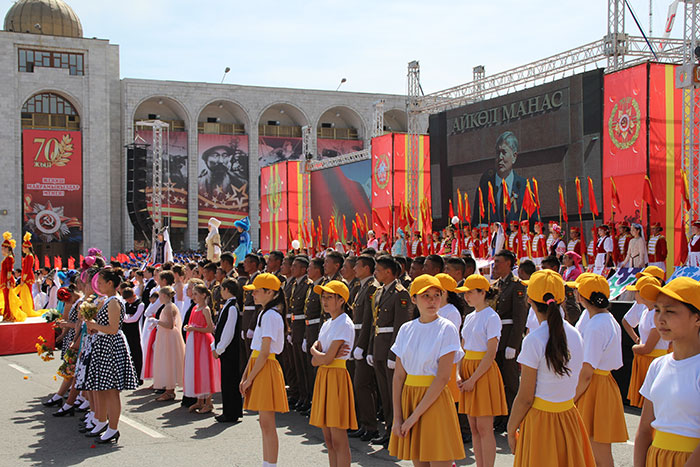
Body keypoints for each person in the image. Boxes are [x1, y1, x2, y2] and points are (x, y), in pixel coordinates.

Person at [507, 269, 594, 466]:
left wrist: (511, 430)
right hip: (569, 417)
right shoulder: (575, 334)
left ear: (529, 300)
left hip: (541, 422)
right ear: (562, 299)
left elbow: (525, 398)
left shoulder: (533, 340)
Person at [387, 274, 465, 465]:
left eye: (437, 295)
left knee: (439, 461)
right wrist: (398, 418)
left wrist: (413, 418)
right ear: (413, 299)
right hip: (410, 398)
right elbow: (398, 376)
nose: (432, 300)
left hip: (435, 401)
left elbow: (442, 377)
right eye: (426, 295)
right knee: (419, 462)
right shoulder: (406, 329)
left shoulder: (447, 328)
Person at [634, 277, 700, 466]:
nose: (660, 319)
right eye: (657, 310)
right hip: (656, 458)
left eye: (670, 311)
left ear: (697, 318)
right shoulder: (658, 365)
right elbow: (644, 430)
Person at [569, 274, 628, 467]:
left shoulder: (596, 325)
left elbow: (587, 372)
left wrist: (571, 399)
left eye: (577, 290)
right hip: (600, 385)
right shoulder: (604, 318)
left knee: (596, 451)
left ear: (582, 296)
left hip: (593, 387)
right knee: (594, 450)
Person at [456, 274, 508, 467]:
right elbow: (462, 348)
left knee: (484, 427)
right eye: (465, 293)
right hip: (468, 369)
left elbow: (491, 352)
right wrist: (460, 374)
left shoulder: (492, 317)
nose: (466, 296)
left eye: (470, 292)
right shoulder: (469, 317)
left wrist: (473, 379)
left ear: (483, 292)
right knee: (474, 427)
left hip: (483, 372)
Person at [82, 268, 138, 443]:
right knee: (102, 388)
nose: (97, 285)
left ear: (110, 283)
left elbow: (113, 329)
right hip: (104, 345)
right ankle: (101, 421)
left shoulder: (114, 302)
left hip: (110, 347)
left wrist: (94, 325)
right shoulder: (108, 301)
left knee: (111, 390)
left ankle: (113, 428)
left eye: (100, 282)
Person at [240, 273, 289, 467]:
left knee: (267, 422)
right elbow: (256, 350)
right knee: (264, 422)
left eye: (257, 291)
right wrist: (245, 375)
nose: (253, 295)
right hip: (259, 365)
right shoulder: (265, 313)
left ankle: (271, 464)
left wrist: (249, 378)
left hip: (265, 367)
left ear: (270, 292)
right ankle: (267, 462)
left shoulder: (270, 315)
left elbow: (264, 351)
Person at [309, 280, 356, 467]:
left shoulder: (344, 323)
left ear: (341, 300)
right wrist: (318, 355)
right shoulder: (327, 323)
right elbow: (318, 361)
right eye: (323, 297)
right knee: (328, 438)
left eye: (330, 297)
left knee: (338, 438)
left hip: (336, 377)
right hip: (324, 376)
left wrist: (314, 350)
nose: (325, 301)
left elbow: (326, 358)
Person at [367, 255, 411, 447]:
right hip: (378, 346)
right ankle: (388, 428)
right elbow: (374, 323)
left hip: (390, 349)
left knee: (394, 393)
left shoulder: (400, 293)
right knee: (384, 392)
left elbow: (401, 326)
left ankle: (396, 429)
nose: (375, 273)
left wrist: (395, 354)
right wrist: (370, 349)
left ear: (388, 272)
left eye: (377, 269)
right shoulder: (379, 292)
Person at [491, 249, 527, 431]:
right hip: (496, 338)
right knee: (497, 381)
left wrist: (513, 345)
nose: (495, 265)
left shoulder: (517, 285)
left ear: (508, 264)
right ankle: (500, 416)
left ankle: (514, 416)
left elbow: (519, 318)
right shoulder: (497, 284)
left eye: (498, 262)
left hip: (508, 338)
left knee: (511, 381)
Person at [622, 275, 669, 409]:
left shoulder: (656, 314)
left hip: (654, 360)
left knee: (654, 403)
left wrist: (635, 347)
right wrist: (638, 343)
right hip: (645, 360)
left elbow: (648, 347)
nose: (634, 294)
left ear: (644, 294)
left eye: (637, 291)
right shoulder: (646, 312)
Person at [349, 255, 380, 442]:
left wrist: (363, 346)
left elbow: (369, 321)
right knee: (358, 384)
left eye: (357, 266)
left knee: (363, 384)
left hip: (364, 340)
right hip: (357, 338)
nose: (354, 269)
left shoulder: (372, 288)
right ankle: (363, 423)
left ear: (367, 268)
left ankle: (370, 425)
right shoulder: (360, 287)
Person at [472, 131, 527, 225]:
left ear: (514, 157)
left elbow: (535, 225)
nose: (500, 157)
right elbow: (476, 223)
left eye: (504, 152)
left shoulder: (525, 187)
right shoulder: (484, 189)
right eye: (498, 153)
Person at [183, 284, 220, 413]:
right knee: (197, 369)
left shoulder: (205, 309)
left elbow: (210, 328)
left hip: (203, 342)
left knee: (205, 369)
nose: (194, 297)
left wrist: (194, 328)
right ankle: (199, 400)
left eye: (196, 294)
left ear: (203, 295)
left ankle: (208, 402)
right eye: (193, 294)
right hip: (194, 342)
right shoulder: (195, 308)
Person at [212, 278, 243, 423]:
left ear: (227, 290)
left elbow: (228, 332)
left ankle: (231, 412)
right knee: (227, 381)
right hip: (225, 350)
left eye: (222, 289)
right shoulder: (228, 306)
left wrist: (220, 348)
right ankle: (229, 410)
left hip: (229, 351)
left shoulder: (232, 307)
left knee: (230, 381)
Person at [152, 287, 186, 401]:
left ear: (165, 296)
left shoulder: (169, 307)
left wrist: (157, 322)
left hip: (168, 337)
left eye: (160, 296)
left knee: (168, 361)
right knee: (167, 361)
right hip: (166, 336)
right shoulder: (169, 306)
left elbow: (170, 325)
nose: (159, 298)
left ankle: (169, 390)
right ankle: (169, 389)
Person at [1, 232, 24, 322]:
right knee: (6, 299)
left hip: (7, 281)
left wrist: (8, 281)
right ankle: (7, 315)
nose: (2, 250)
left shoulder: (9, 258)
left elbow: (9, 271)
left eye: (3, 249)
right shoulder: (7, 258)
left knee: (8, 299)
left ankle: (9, 315)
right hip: (4, 280)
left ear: (8, 249)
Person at [17, 232, 40, 317]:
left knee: (27, 294)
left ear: (27, 248)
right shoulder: (27, 256)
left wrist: (23, 279)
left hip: (27, 277)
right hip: (25, 277)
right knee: (25, 294)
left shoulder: (30, 256)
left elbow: (27, 269)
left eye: (23, 248)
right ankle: (25, 308)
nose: (22, 249)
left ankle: (28, 308)